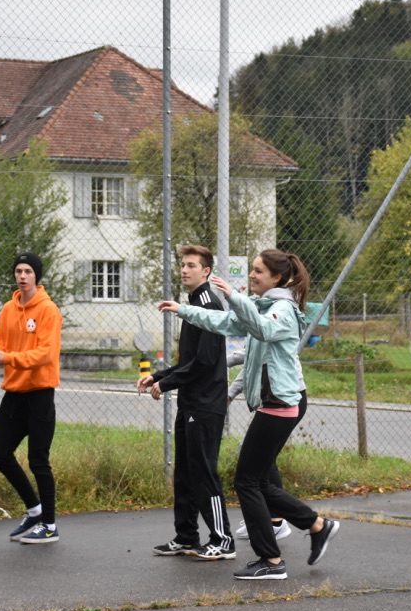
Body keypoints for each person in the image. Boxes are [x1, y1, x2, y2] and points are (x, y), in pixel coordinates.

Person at [159, 249, 338, 581]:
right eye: (252, 270)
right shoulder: (263, 305)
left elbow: (263, 330)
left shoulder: (282, 310)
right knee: (259, 480)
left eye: (258, 271)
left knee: (247, 481)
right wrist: (183, 310)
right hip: (273, 402)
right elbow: (225, 324)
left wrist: (234, 297)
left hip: (281, 403)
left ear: (277, 278)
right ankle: (315, 525)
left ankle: (272, 559)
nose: (252, 275)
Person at [139, 245, 234, 560]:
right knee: (185, 473)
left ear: (206, 271)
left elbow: (205, 362)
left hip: (206, 405)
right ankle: (186, 536)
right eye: (182, 264)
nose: (184, 270)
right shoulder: (192, 305)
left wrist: (166, 384)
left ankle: (223, 540)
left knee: (204, 472)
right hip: (190, 403)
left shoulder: (209, 305)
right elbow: (188, 361)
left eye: (191, 265)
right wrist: (157, 376)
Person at [0, 252, 62, 545]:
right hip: (14, 394)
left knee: (39, 460)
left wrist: (7, 358)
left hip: (40, 394)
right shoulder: (8, 309)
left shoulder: (48, 310)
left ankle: (49, 526)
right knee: (0, 453)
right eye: (18, 271)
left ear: (36, 276)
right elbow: (0, 344)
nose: (23, 276)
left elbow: (45, 354)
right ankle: (35, 509)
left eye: (28, 271)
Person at [227, 342, 307, 542]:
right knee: (262, 460)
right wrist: (230, 392)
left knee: (262, 460)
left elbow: (247, 355)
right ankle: (267, 518)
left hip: (287, 398)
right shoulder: (260, 327)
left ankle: (276, 522)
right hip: (273, 397)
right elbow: (251, 363)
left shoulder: (272, 324)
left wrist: (212, 362)